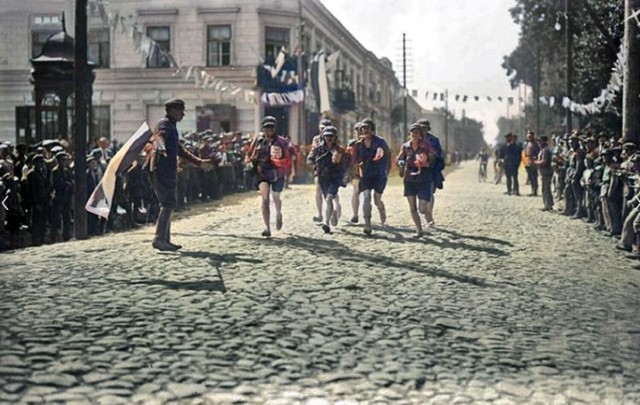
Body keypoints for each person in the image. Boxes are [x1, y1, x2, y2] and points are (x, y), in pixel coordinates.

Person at [151, 98, 212, 251]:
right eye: (181, 111)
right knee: (168, 204)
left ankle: (165, 240)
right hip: (162, 171)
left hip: (167, 171)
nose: (183, 114)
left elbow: (180, 150)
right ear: (172, 110)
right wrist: (161, 147)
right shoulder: (165, 124)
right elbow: (159, 138)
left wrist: (199, 162)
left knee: (169, 203)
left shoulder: (172, 126)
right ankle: (159, 239)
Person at [245, 115, 291, 237]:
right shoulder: (258, 140)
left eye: (271, 127)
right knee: (265, 199)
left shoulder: (282, 142)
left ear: (275, 128)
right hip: (262, 172)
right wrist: (249, 162)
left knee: (276, 197)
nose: (269, 129)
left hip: (277, 173)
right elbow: (248, 154)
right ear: (263, 128)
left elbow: (287, 158)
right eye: (267, 127)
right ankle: (267, 227)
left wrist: (279, 163)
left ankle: (279, 213)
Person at [396, 123, 435, 238]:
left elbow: (433, 159)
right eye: (412, 132)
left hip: (423, 178)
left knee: (422, 207)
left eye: (416, 133)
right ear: (409, 134)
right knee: (412, 207)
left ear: (420, 135)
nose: (414, 135)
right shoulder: (405, 146)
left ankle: (428, 216)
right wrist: (401, 167)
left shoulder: (426, 146)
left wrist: (426, 163)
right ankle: (419, 229)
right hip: (409, 179)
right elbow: (400, 159)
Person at [353, 118, 390, 235]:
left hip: (379, 174)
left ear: (372, 130)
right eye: (363, 128)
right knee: (366, 196)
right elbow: (355, 159)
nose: (365, 130)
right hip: (366, 174)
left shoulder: (380, 142)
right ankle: (367, 224)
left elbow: (388, 156)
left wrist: (386, 170)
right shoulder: (359, 144)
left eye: (368, 128)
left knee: (376, 199)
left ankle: (381, 209)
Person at [307, 125, 346, 234]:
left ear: (335, 137)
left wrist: (339, 161)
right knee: (327, 199)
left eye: (331, 136)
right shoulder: (318, 148)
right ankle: (332, 213)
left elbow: (346, 164)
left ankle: (327, 223)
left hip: (335, 177)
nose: (329, 138)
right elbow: (309, 159)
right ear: (323, 137)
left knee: (329, 198)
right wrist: (313, 164)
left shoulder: (340, 150)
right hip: (323, 177)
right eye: (327, 136)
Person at [417, 119, 444, 226]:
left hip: (431, 170)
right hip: (418, 171)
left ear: (428, 129)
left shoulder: (434, 140)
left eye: (425, 128)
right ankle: (424, 212)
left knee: (430, 193)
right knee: (420, 193)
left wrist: (432, 156)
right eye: (421, 128)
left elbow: (439, 154)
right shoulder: (414, 139)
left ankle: (430, 215)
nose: (423, 130)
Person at [310, 118, 334, 222]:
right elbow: (313, 152)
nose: (322, 131)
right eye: (321, 128)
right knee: (318, 189)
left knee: (331, 192)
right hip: (319, 167)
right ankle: (320, 214)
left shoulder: (333, 138)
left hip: (331, 169)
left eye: (324, 128)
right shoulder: (316, 139)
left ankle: (335, 209)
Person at [347, 122, 363, 223]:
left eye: (361, 130)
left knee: (366, 193)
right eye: (357, 130)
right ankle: (355, 214)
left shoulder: (370, 142)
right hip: (355, 170)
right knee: (356, 190)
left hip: (367, 170)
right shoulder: (352, 143)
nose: (359, 132)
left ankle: (367, 213)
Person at [534, 135, 554, 211]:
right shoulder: (542, 150)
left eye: (540, 141)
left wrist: (536, 162)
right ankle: (549, 204)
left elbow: (544, 161)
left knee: (545, 189)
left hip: (546, 172)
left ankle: (547, 205)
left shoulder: (545, 150)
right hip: (544, 172)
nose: (539, 143)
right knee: (546, 188)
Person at [525, 131, 540, 196]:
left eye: (530, 136)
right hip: (528, 161)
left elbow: (538, 152)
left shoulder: (535, 144)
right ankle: (532, 190)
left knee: (534, 177)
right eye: (528, 136)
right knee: (530, 177)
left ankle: (534, 191)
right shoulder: (528, 143)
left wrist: (535, 158)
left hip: (534, 162)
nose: (529, 137)